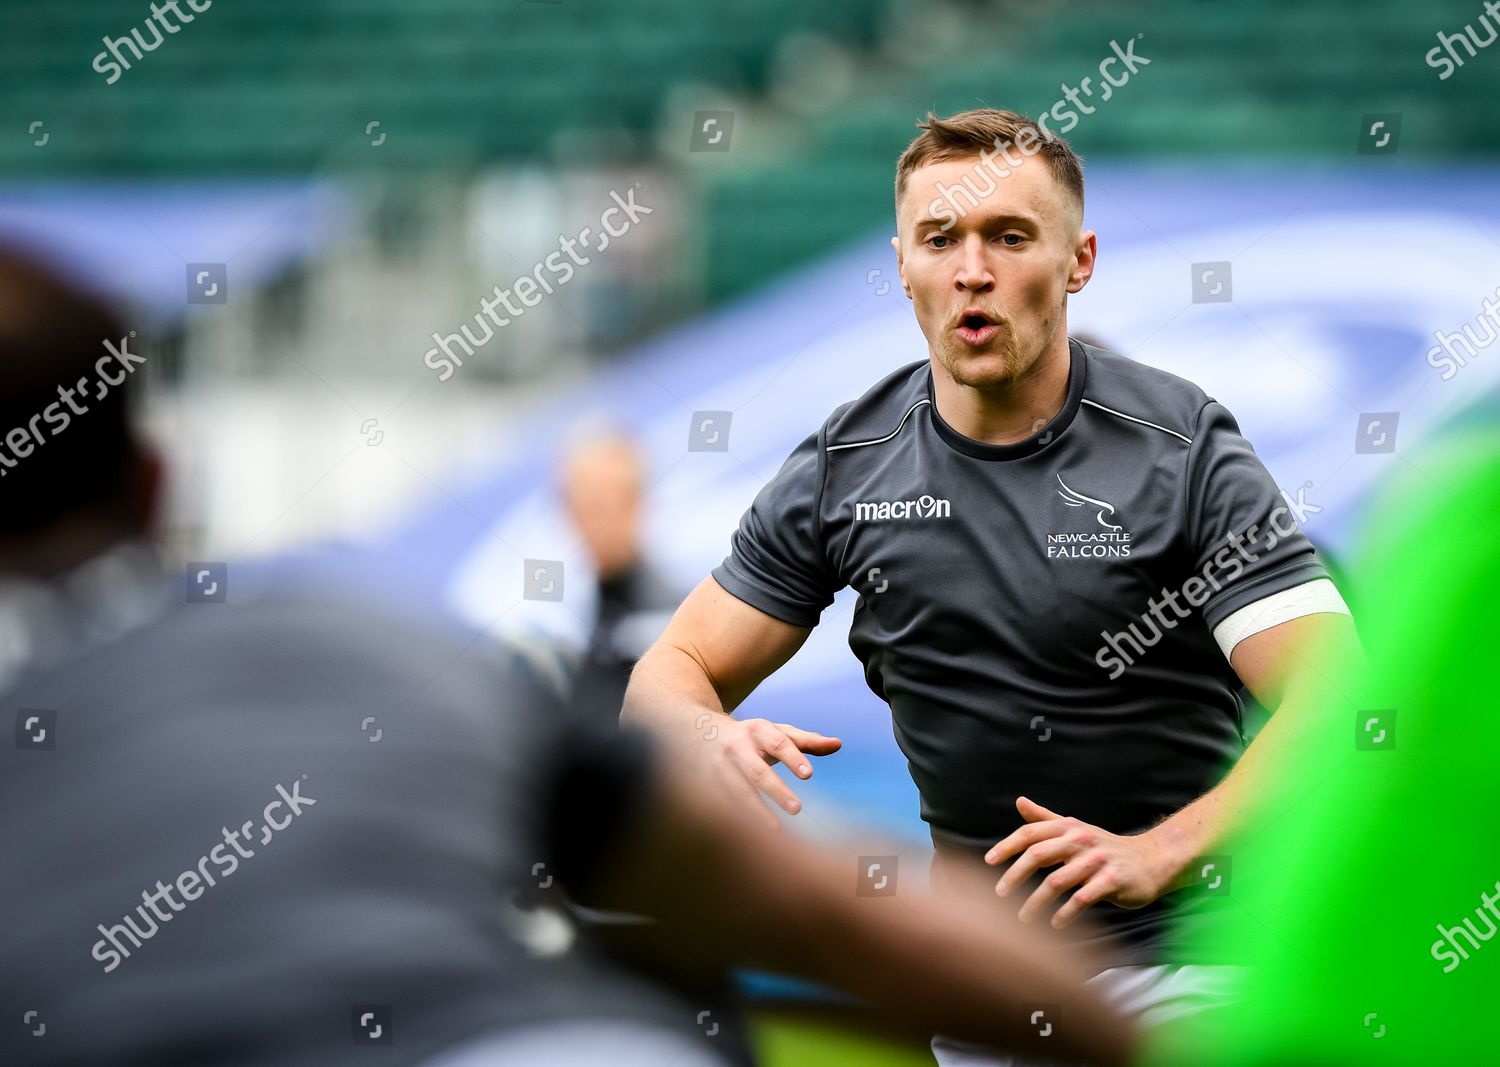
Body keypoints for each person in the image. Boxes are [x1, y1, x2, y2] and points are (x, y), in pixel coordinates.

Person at [0, 247, 1140, 1066]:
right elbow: (829, 913)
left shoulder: (454, 640)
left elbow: (790, 881)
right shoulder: (357, 645)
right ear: (154, 481)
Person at [621, 108, 1362, 1065]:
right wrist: (706, 729)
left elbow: (1344, 700)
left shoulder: (1182, 449)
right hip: (990, 984)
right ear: (903, 265)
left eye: (1010, 237)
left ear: (1078, 260)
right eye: (941, 239)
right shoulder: (846, 466)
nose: (972, 268)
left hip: (1196, 965)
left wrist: (1158, 852)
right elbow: (669, 670)